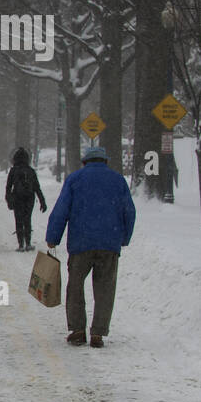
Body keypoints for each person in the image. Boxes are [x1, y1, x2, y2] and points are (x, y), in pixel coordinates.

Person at [45, 146, 135, 348]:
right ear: (105, 161)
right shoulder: (117, 180)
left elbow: (61, 210)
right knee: (105, 289)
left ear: (85, 161)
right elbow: (129, 211)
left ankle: (77, 330)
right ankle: (98, 333)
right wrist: (124, 237)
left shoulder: (75, 179)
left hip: (80, 244)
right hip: (108, 244)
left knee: (75, 287)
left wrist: (53, 237)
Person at [5, 147, 48, 251]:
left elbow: (8, 187)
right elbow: (37, 188)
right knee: (27, 220)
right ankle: (28, 243)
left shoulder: (13, 171)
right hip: (29, 198)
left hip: (17, 198)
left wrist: (9, 200)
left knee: (18, 220)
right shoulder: (31, 171)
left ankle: (20, 245)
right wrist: (42, 202)